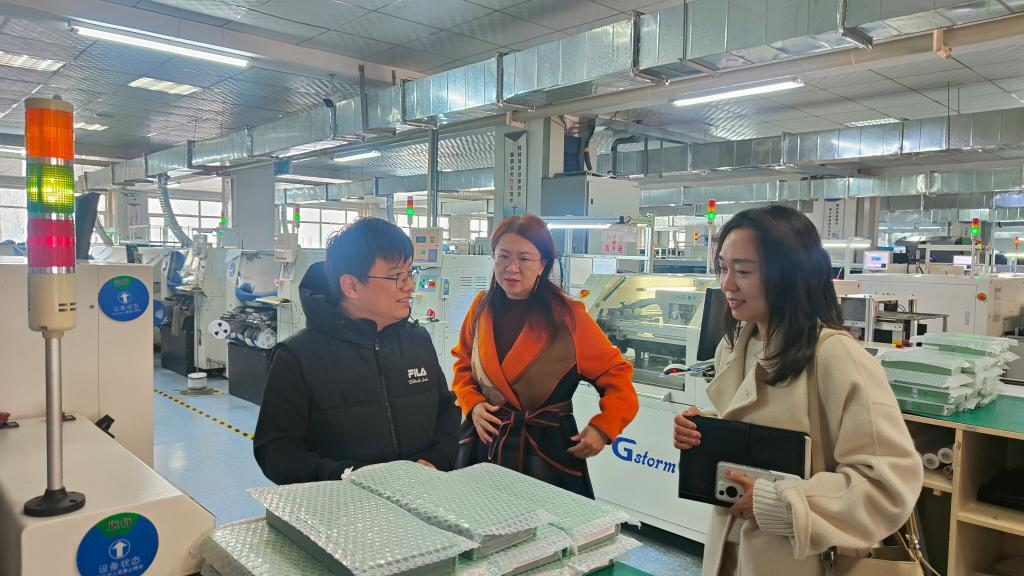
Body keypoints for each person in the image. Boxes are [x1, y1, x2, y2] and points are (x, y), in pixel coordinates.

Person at [673, 205, 922, 575]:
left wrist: (783, 504)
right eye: (723, 268)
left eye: (743, 271)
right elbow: (761, 424)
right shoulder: (734, 344)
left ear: (789, 275)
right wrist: (706, 431)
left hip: (805, 560)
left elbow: (888, 485)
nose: (727, 284)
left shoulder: (835, 356)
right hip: (732, 550)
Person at [254, 217, 460, 484]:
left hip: (421, 494)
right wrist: (348, 477)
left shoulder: (417, 341)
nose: (409, 286)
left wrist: (436, 459)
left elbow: (446, 410)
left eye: (410, 273)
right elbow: (276, 452)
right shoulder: (298, 357)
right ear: (351, 286)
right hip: (342, 503)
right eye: (396, 276)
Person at [451, 214, 639, 497]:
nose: (512, 268)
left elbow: (617, 375)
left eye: (524, 259)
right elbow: (464, 365)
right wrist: (473, 403)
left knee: (545, 521)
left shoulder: (568, 317)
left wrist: (604, 427)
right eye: (503, 257)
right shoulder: (481, 308)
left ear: (543, 264)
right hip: (486, 440)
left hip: (544, 451)